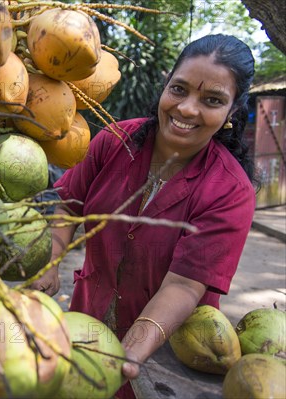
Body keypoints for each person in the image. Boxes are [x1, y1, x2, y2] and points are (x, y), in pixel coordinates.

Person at [30, 34, 256, 398]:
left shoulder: (230, 191)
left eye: (212, 100)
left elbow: (183, 286)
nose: (187, 109)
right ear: (166, 85)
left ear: (231, 113)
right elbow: (69, 203)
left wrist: (129, 353)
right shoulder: (114, 140)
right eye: (179, 89)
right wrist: (51, 261)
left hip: (167, 353)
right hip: (82, 323)